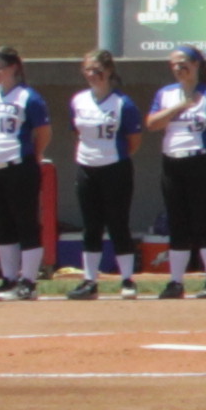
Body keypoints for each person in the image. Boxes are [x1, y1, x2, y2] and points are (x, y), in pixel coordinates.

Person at [0, 45, 54, 300]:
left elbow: (43, 133)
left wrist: (33, 156)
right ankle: (8, 279)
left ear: (14, 68)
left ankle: (28, 281)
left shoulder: (28, 97)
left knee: (26, 223)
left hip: (19, 165)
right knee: (2, 224)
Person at [147, 47, 206, 300]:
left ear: (196, 65)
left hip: (201, 160)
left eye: (183, 64)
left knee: (204, 221)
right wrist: (179, 107)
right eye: (174, 64)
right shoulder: (166, 94)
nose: (178, 68)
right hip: (173, 162)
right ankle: (176, 282)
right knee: (178, 222)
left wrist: (205, 152)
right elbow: (152, 124)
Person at [63, 49, 140, 300]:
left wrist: (109, 155)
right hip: (87, 166)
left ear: (109, 72)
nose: (93, 75)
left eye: (98, 71)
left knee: (118, 223)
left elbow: (133, 141)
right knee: (91, 226)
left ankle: (127, 280)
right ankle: (89, 280)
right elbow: (77, 131)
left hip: (115, 167)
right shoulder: (79, 100)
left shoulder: (122, 103)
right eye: (88, 70)